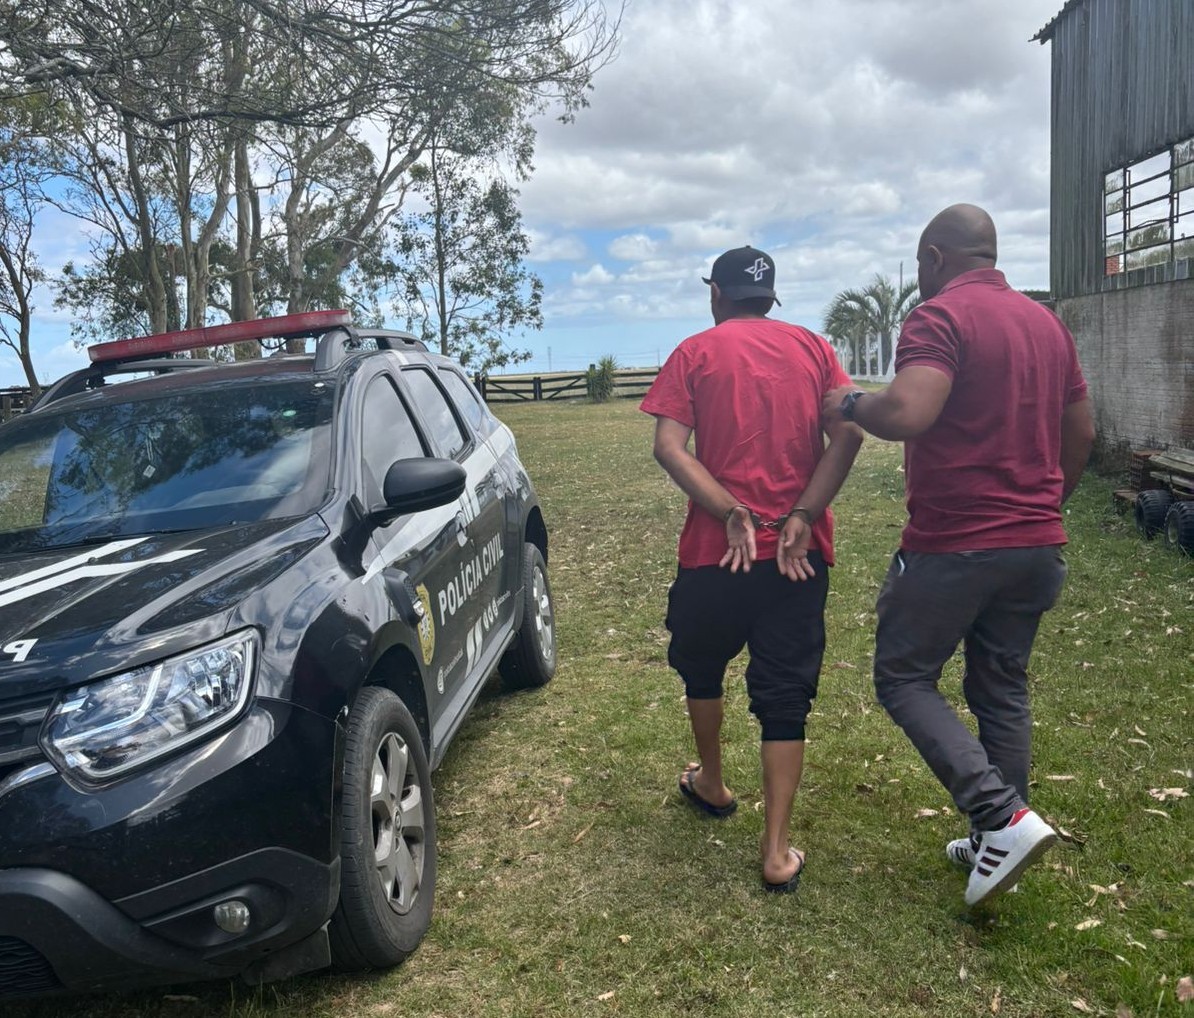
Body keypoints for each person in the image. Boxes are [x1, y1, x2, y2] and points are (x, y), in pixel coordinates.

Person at [823, 204, 1096, 906]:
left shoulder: (940, 317)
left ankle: (999, 815)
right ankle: (996, 840)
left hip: (955, 543)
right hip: (1037, 545)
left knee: (903, 676)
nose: (918, 280)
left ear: (936, 259)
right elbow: (1082, 431)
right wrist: (1044, 505)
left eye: (919, 266)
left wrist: (850, 403)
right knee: (1001, 686)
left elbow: (910, 412)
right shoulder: (1046, 325)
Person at [641, 246, 862, 893]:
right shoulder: (816, 349)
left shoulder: (695, 352)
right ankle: (774, 851)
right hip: (797, 556)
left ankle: (711, 780)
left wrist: (727, 508)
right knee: (785, 697)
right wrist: (804, 512)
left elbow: (667, 447)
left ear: (717, 294)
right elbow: (848, 434)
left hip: (716, 553)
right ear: (771, 298)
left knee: (703, 666)